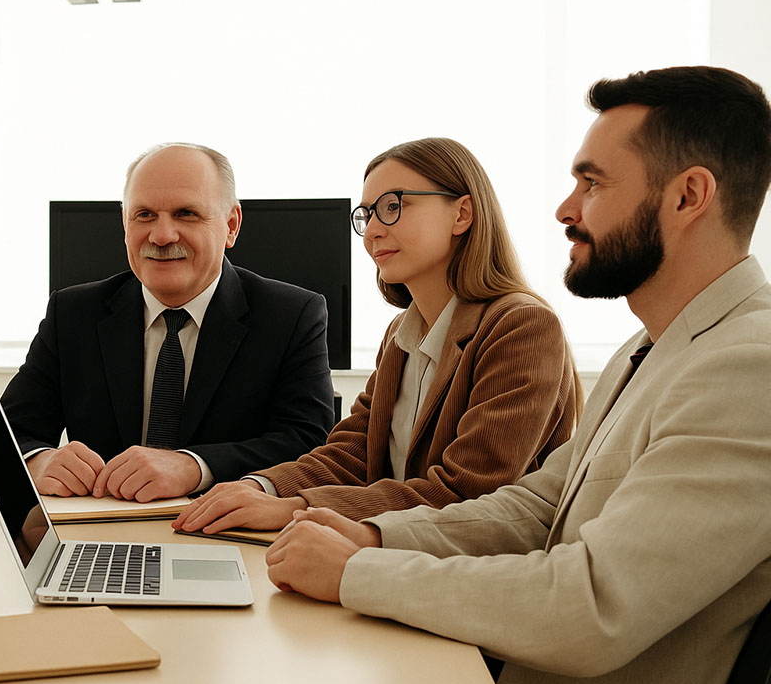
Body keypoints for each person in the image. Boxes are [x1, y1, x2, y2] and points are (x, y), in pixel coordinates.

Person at [265, 66, 771, 684]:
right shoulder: (648, 350)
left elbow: (591, 604)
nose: (566, 208)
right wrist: (371, 537)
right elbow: (536, 508)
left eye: (592, 183)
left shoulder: (748, 366)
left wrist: (356, 573)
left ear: (687, 197)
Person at [174, 137, 579, 536]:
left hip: (480, 576)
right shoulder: (402, 334)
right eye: (367, 214)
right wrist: (256, 487)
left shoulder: (522, 326)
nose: (372, 232)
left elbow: (466, 492)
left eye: (392, 206)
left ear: (462, 214)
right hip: (401, 559)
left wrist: (294, 508)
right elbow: (353, 453)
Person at [0, 142, 335, 502]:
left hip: (228, 533)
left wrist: (193, 467)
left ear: (231, 225)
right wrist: (39, 462)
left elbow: (310, 447)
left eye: (186, 213)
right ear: (124, 224)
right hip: (103, 534)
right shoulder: (73, 313)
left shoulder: (292, 315)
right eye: (143, 215)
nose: (161, 236)